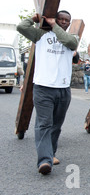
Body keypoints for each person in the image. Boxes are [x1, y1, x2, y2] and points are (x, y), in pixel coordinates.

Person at [17, 11, 79, 175]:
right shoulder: (39, 35)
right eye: (61, 19)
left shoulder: (72, 38)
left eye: (67, 20)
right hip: (43, 88)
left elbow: (70, 43)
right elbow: (21, 27)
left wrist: (54, 25)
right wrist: (34, 19)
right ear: (54, 18)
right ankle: (44, 160)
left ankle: (51, 153)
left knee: (56, 125)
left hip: (63, 89)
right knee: (44, 124)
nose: (64, 22)